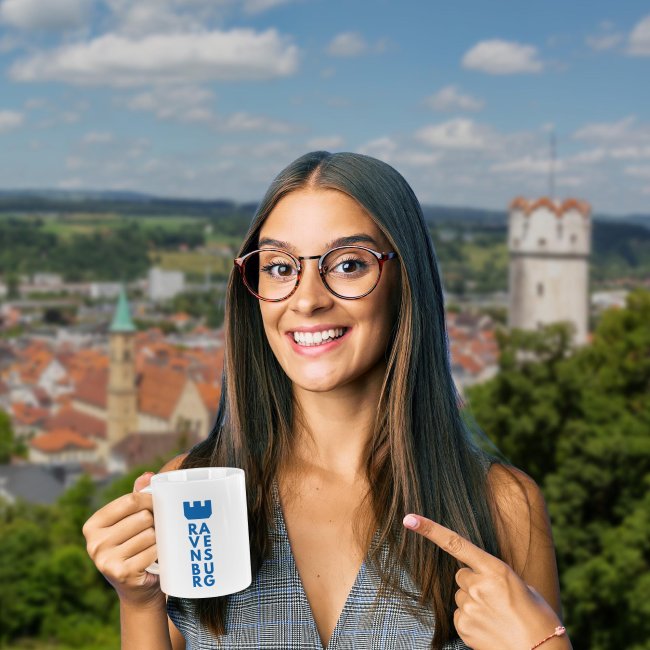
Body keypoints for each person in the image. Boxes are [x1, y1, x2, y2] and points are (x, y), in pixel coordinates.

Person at [83, 151, 571, 650]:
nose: (307, 298)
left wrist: (544, 646)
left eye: (349, 264)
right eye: (278, 267)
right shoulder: (192, 495)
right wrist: (139, 601)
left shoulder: (503, 508)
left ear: (407, 282)